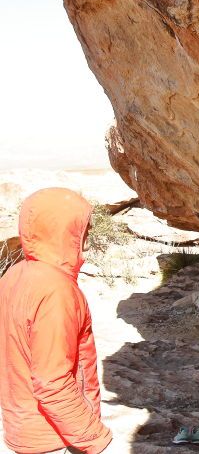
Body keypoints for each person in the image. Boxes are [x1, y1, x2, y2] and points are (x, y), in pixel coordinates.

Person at [0, 188, 112, 454]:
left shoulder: (14, 276)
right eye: (83, 229)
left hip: (22, 427)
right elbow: (52, 383)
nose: (87, 238)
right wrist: (95, 440)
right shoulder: (56, 291)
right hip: (57, 437)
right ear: (65, 232)